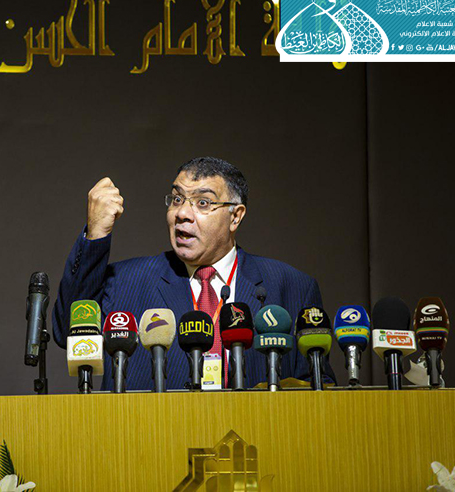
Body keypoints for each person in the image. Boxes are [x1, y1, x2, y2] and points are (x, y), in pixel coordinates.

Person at [53, 156, 335, 390]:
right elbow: (68, 333)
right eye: (177, 199)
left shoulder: (291, 286)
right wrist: (96, 234)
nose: (182, 214)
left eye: (202, 203)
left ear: (235, 216)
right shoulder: (125, 281)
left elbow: (317, 387)